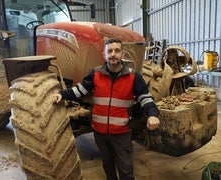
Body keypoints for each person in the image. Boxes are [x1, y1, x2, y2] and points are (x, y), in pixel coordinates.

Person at [53, 38, 160, 180]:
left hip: (121, 134)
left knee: (126, 170)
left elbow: (145, 98)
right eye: (109, 51)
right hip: (100, 134)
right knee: (108, 166)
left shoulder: (133, 77)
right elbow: (79, 91)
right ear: (104, 55)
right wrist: (62, 94)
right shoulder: (95, 74)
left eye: (117, 51)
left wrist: (153, 114)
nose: (113, 54)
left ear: (122, 54)